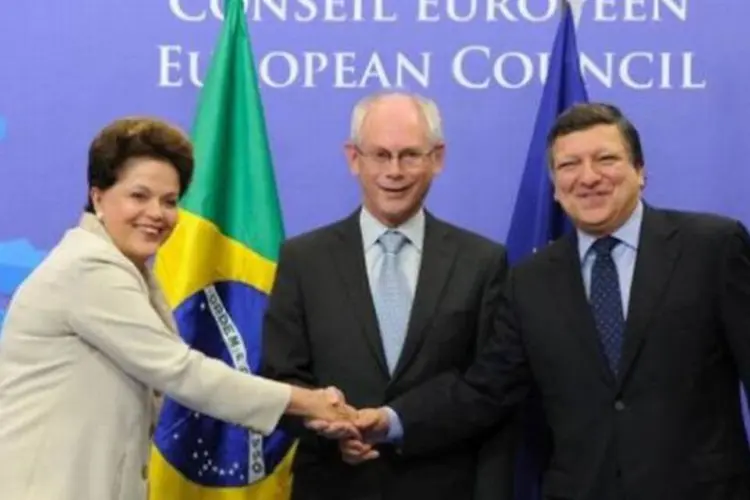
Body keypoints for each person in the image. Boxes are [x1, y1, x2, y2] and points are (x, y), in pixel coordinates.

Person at [333, 102, 750, 500]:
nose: (588, 178)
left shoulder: (711, 248)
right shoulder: (531, 280)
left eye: (605, 159)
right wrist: (390, 421)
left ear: (640, 171)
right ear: (554, 187)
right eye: (569, 165)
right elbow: (486, 390)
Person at [0, 117, 353, 500]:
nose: (157, 213)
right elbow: (182, 372)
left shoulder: (128, 271)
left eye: (169, 201)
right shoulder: (88, 269)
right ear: (98, 197)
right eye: (139, 196)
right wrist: (308, 401)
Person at [260, 91, 517, 500]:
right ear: (353, 158)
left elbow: (489, 386)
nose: (393, 171)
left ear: (437, 158)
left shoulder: (482, 262)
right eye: (380, 155)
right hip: (333, 484)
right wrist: (332, 427)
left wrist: (394, 421)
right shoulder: (303, 259)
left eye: (409, 155)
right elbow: (281, 377)